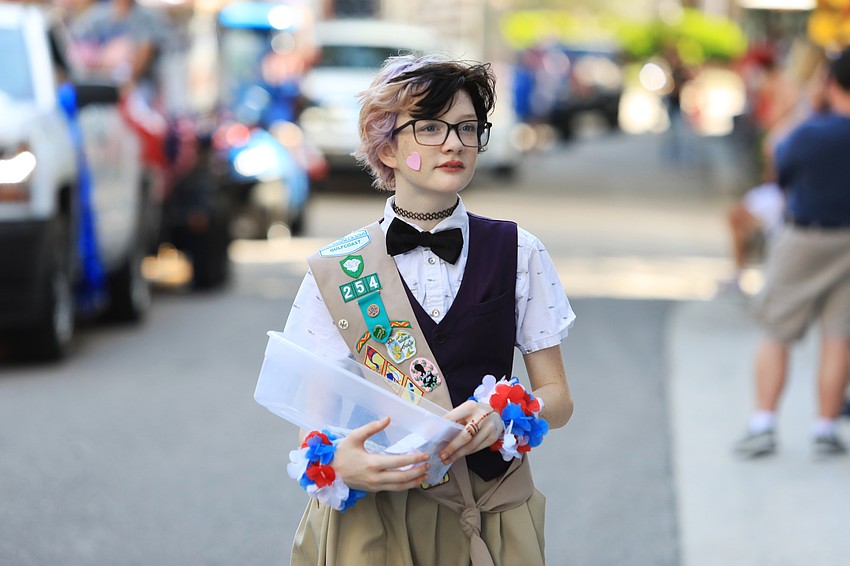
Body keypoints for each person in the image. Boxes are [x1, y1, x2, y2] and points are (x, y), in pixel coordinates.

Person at [279, 54, 575, 565]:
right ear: (386, 144)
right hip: (376, 519)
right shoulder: (337, 269)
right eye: (431, 127)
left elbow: (559, 399)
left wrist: (505, 416)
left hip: (488, 511)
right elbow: (314, 420)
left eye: (467, 128)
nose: (455, 142)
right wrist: (341, 462)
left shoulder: (519, 251)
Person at [733, 46, 850, 459]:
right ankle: (825, 427)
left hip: (806, 237)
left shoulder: (811, 131)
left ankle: (763, 423)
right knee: (839, 336)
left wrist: (809, 104)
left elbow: (777, 161)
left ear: (831, 83)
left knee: (777, 331)